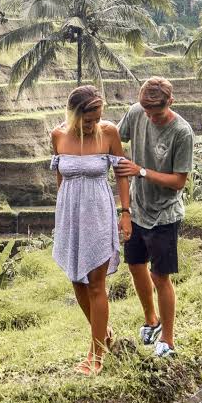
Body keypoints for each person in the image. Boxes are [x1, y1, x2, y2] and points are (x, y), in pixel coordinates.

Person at [50, 85, 131, 376]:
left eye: (97, 117)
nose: (93, 124)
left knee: (96, 284)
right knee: (76, 281)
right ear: (74, 114)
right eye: (88, 119)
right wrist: (62, 220)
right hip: (70, 216)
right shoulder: (58, 135)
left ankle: (95, 355)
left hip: (99, 213)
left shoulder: (109, 133)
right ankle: (105, 335)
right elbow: (61, 179)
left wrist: (126, 214)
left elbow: (122, 176)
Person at [114, 77, 194, 358]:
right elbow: (115, 137)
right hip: (137, 208)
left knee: (160, 276)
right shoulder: (137, 112)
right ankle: (152, 320)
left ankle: (168, 340)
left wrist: (141, 171)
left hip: (165, 214)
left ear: (170, 103)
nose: (150, 117)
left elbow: (179, 181)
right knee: (135, 265)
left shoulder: (181, 132)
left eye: (156, 113)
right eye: (147, 111)